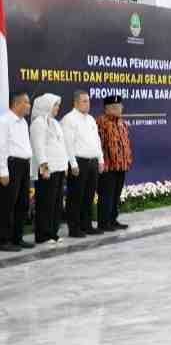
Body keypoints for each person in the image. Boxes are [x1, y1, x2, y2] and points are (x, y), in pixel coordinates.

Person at [62, 90, 104, 238]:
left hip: (92, 162)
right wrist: (73, 163)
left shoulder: (91, 119)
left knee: (89, 196)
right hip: (78, 162)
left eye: (88, 101)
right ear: (75, 103)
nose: (88, 104)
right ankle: (74, 228)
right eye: (84, 101)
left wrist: (100, 159)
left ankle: (87, 225)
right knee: (76, 196)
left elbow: (97, 141)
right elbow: (67, 143)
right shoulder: (69, 119)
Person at [30, 94, 69, 245]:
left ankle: (53, 232)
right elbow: (38, 147)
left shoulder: (55, 123)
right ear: (46, 105)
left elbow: (61, 145)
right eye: (55, 105)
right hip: (47, 170)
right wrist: (44, 167)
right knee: (45, 203)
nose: (57, 108)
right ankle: (42, 235)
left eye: (58, 105)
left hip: (59, 168)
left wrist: (65, 165)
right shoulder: (38, 123)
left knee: (56, 203)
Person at [0, 92, 35, 252]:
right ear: (16, 104)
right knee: (7, 204)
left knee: (23, 203)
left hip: (23, 165)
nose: (29, 105)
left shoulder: (23, 123)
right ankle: (3, 240)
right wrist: (3, 171)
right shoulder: (4, 121)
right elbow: (1, 148)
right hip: (11, 165)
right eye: (26, 102)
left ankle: (17, 237)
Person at [96, 96, 133, 231]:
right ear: (108, 108)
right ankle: (104, 223)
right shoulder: (101, 122)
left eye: (120, 106)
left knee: (116, 195)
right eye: (117, 107)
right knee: (106, 196)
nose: (120, 109)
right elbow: (99, 144)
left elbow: (126, 142)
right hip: (108, 166)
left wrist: (127, 159)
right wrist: (102, 162)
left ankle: (113, 220)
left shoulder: (122, 123)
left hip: (121, 165)